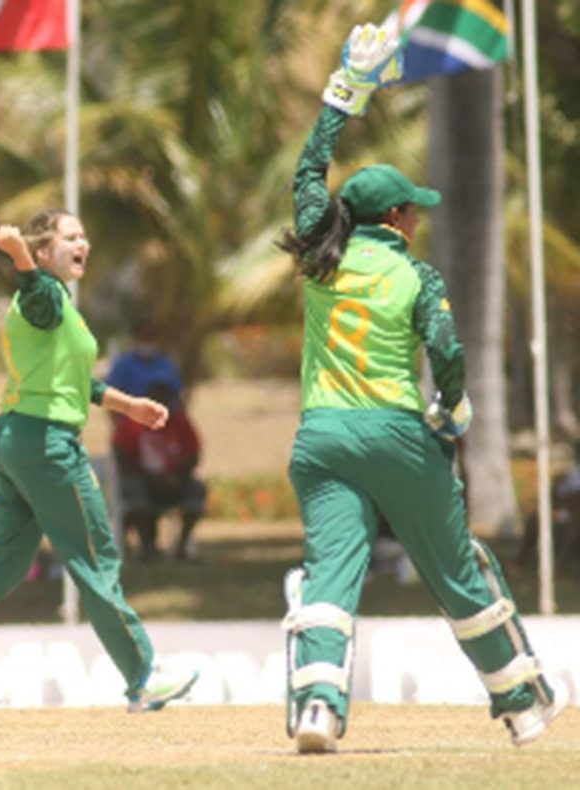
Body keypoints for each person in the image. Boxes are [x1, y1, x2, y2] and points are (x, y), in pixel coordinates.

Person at [276, 23, 566, 754]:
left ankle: (317, 706)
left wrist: (346, 91)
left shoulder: (322, 252)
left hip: (320, 439)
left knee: (331, 573)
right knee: (459, 570)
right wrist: (454, 407)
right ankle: (523, 706)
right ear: (398, 219)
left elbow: (307, 176)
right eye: (415, 209)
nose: (420, 216)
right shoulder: (416, 276)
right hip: (395, 436)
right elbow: (449, 351)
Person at [0, 210, 199, 714]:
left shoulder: (61, 304)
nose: (83, 243)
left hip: (17, 438)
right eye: (70, 237)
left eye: (85, 236)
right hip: (46, 445)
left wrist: (128, 406)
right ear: (43, 253)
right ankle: (143, 676)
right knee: (95, 557)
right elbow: (36, 294)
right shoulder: (43, 295)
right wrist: (17, 254)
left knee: (0, 565)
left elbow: (72, 379)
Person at [111, 379, 206, 562]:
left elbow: (194, 455)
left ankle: (182, 547)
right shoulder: (131, 424)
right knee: (134, 489)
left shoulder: (180, 423)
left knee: (196, 489)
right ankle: (147, 547)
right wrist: (150, 477)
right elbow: (121, 456)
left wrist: (176, 476)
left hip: (174, 481)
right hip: (142, 479)